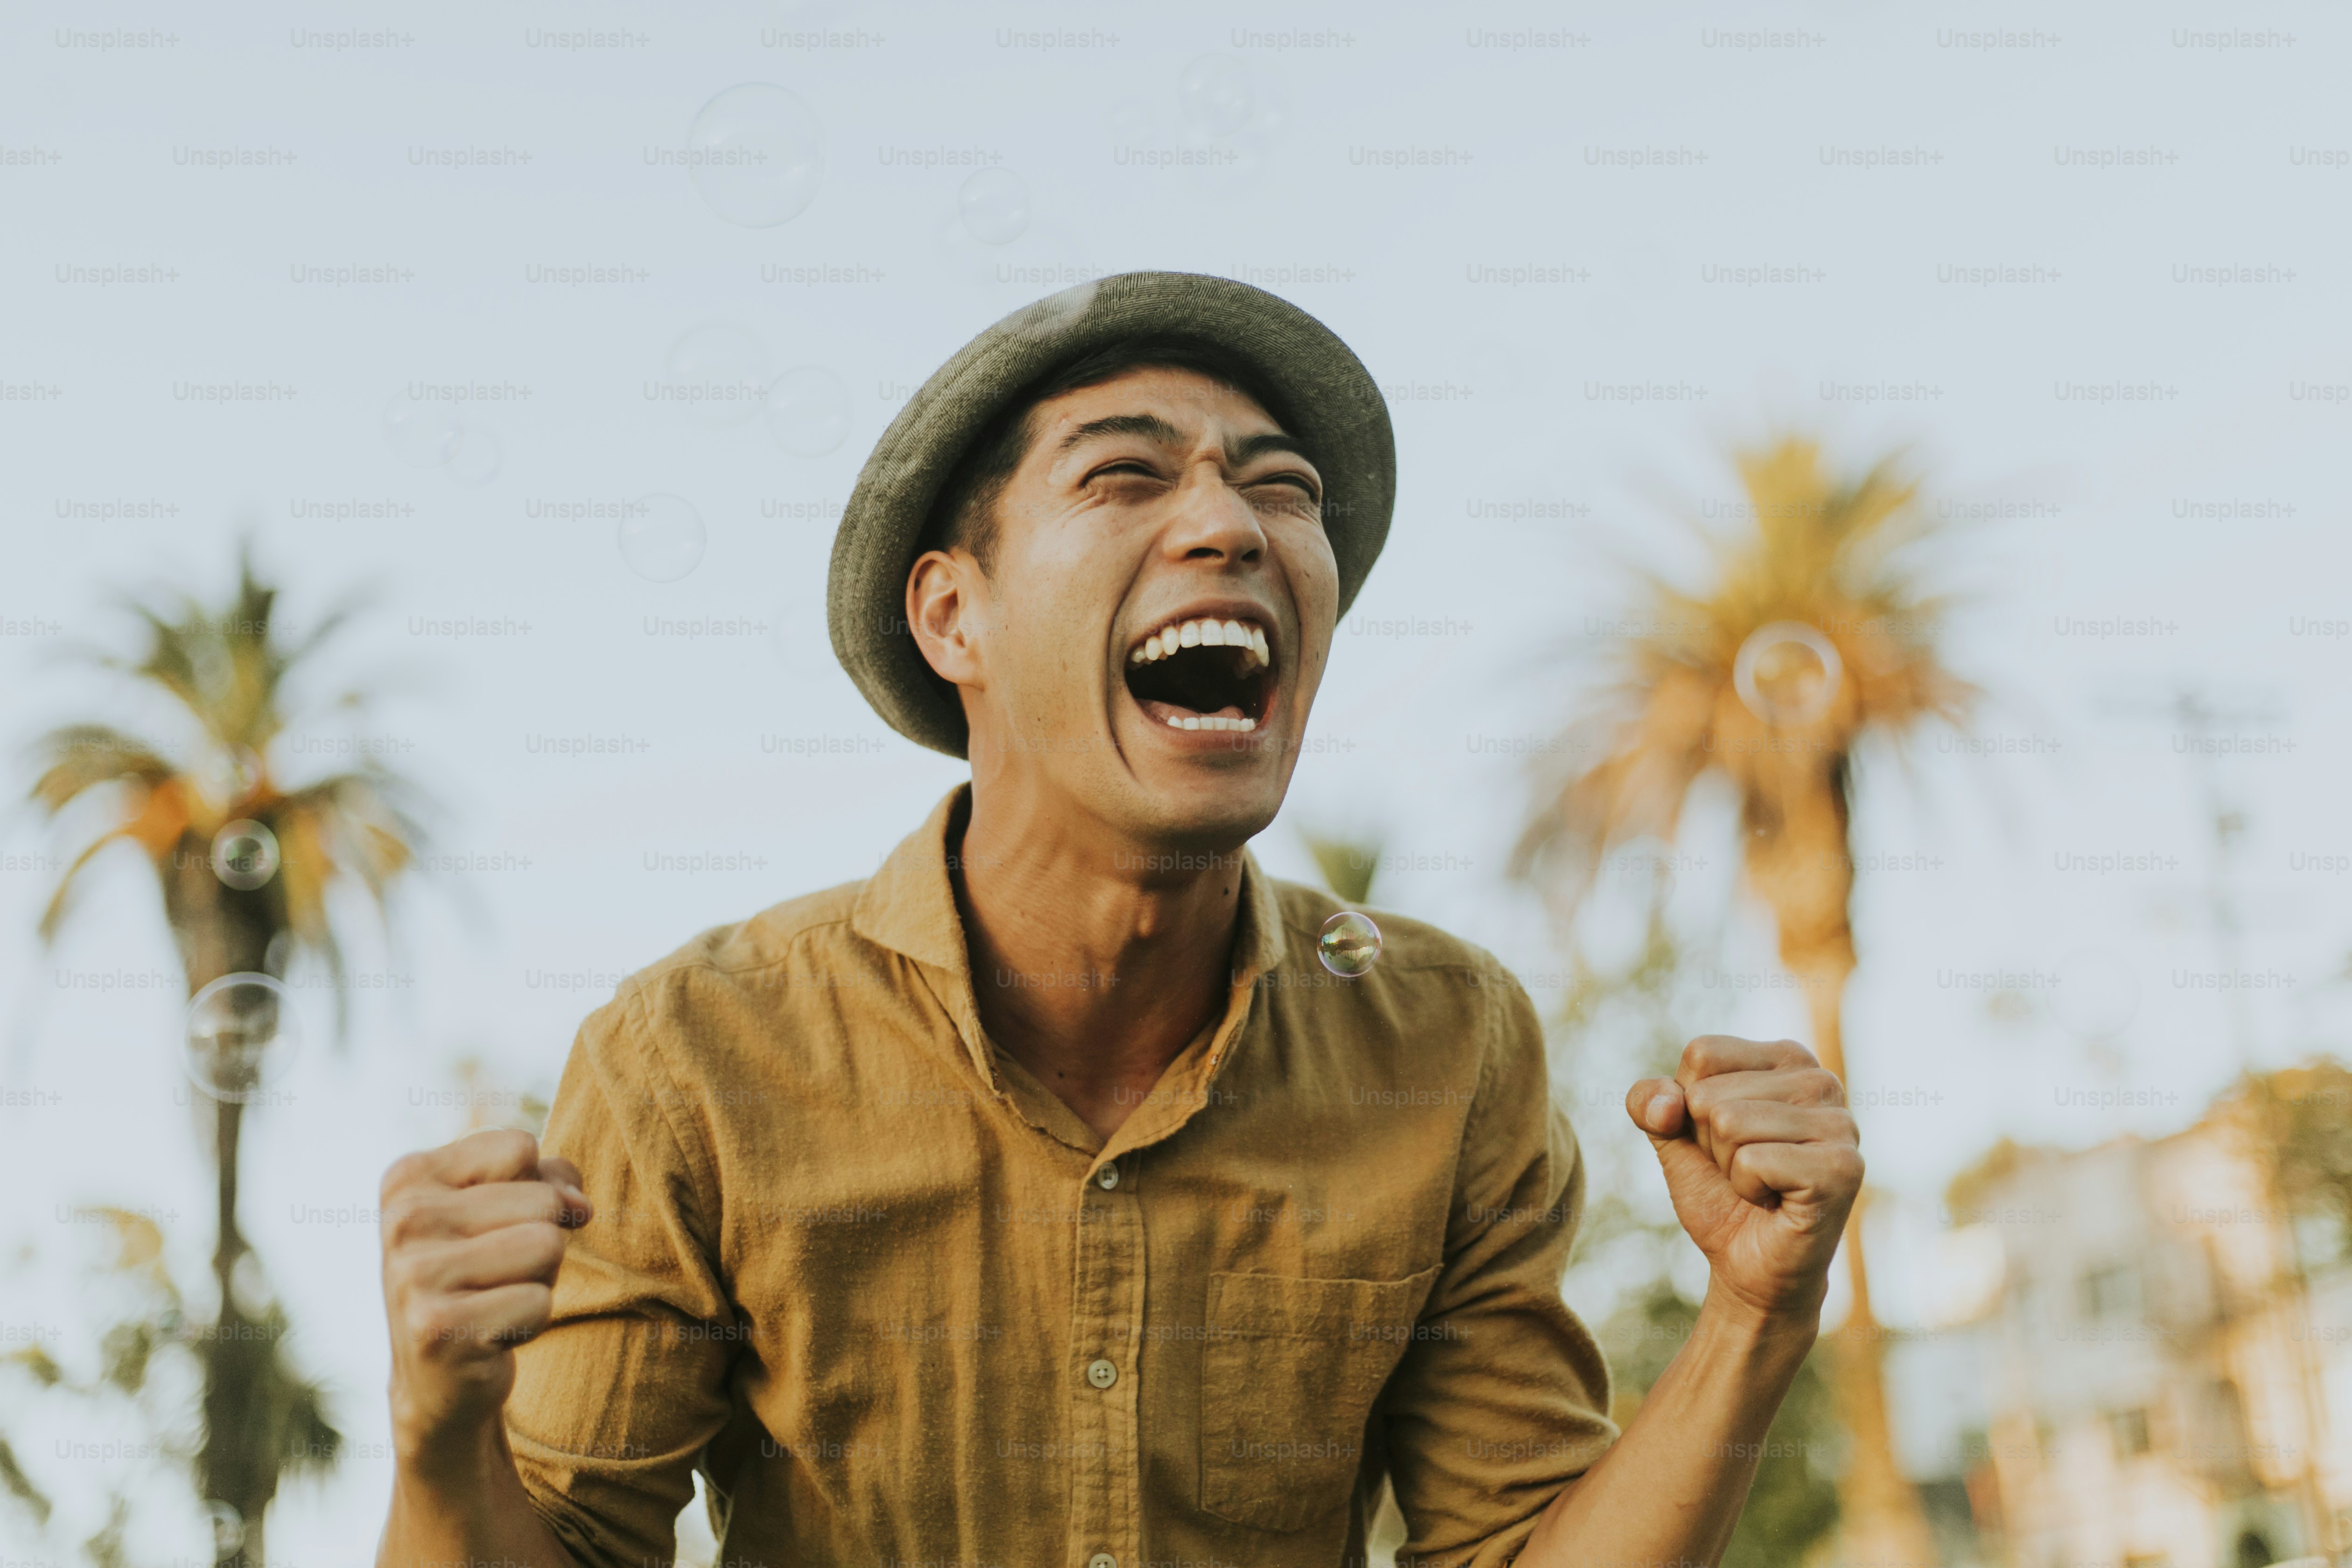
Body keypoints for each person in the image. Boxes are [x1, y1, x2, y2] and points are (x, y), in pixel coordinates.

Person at [375, 273, 1862, 1568]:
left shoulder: (1446, 1044)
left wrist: (1753, 1320)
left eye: (1283, 490)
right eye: (1124, 478)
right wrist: (443, 1437)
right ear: (953, 616)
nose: (1230, 522)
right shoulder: (694, 1060)